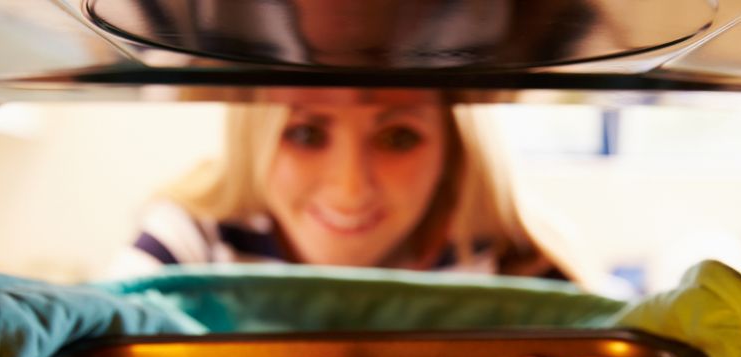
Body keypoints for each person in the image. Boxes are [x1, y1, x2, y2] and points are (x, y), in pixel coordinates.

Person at [109, 87, 576, 281]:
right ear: (255, 136)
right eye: (306, 133)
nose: (350, 190)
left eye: (398, 137)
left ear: (452, 144)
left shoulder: (514, 259)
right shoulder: (192, 238)